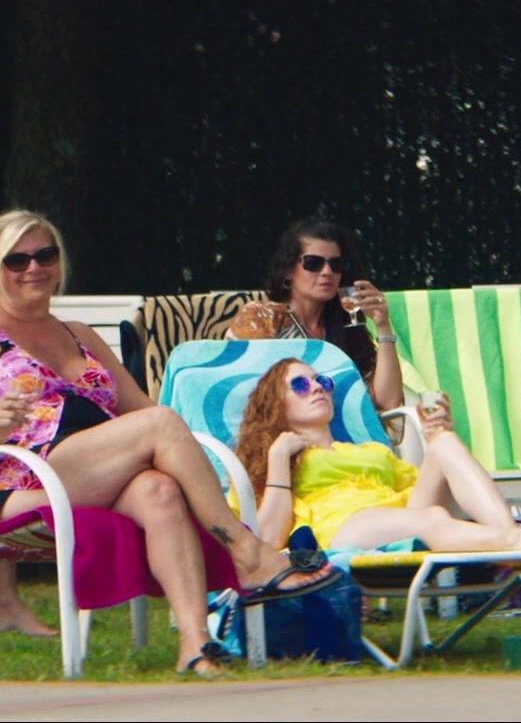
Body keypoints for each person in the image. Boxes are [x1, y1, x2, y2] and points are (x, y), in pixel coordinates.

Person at [0, 210, 338, 676]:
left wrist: (188, 448)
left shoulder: (79, 335)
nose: (34, 268)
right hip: (25, 483)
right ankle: (246, 550)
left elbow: (138, 406)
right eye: (16, 260)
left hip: (97, 471)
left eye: (45, 255)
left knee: (160, 490)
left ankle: (195, 645)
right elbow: (154, 421)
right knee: (160, 425)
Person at [235, 358, 521, 554]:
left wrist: (432, 435)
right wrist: (279, 459)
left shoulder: (369, 451)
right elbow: (269, 540)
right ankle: (511, 542)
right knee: (431, 519)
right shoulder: (275, 457)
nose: (317, 388)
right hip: (341, 525)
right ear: (275, 403)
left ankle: (510, 537)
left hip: (399, 514)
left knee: (445, 442)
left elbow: (421, 488)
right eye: (301, 385)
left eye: (323, 381)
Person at [229, 218, 403, 413]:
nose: (327, 272)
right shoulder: (263, 317)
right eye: (313, 263)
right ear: (288, 270)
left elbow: (388, 402)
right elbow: (243, 391)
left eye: (336, 264)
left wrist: (383, 325)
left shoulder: (344, 329)